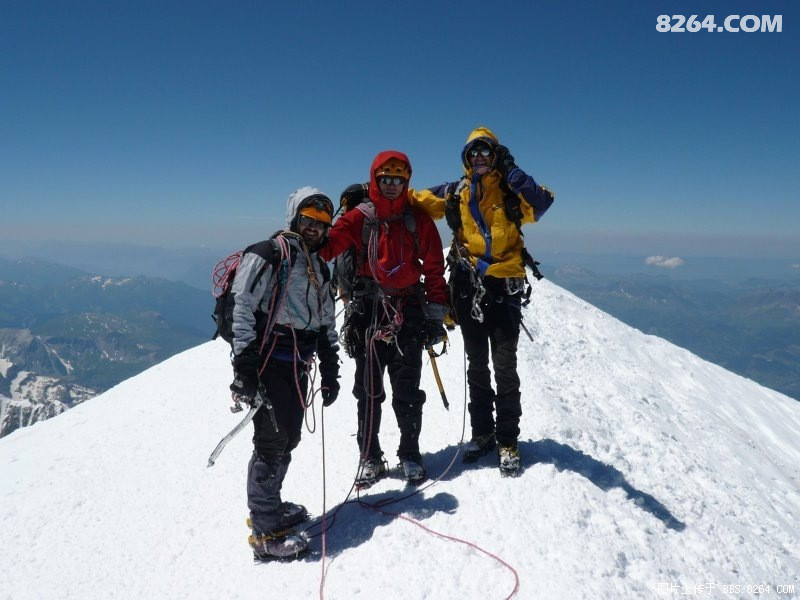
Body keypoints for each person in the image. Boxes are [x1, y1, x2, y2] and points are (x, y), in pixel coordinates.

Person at [412, 127, 554, 476]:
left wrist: (513, 171)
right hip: (468, 288)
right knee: (477, 364)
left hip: (504, 288)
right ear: (465, 158)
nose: (478, 158)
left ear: (496, 155)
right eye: (473, 152)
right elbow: (412, 200)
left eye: (486, 152)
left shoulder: (511, 190)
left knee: (504, 367)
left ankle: (507, 439)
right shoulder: (454, 192)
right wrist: (373, 192)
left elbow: (543, 202)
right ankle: (483, 433)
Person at [319, 151, 448, 487]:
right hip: (369, 312)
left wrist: (436, 316)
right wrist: (295, 244)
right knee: (368, 390)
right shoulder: (359, 219)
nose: (392, 185)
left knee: (406, 390)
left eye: (399, 179)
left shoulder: (417, 220)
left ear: (407, 182)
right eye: (386, 179)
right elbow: (328, 246)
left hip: (405, 311)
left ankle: (409, 453)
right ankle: (370, 455)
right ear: (375, 179)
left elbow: (434, 269)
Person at [228, 187, 340, 561]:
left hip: (297, 363)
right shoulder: (268, 254)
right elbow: (241, 307)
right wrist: (244, 367)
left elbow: (325, 320)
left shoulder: (319, 267)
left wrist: (330, 365)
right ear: (295, 218)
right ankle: (266, 532)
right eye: (308, 221)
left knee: (288, 436)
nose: (314, 229)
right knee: (272, 441)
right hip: (267, 362)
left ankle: (270, 507)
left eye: (322, 224)